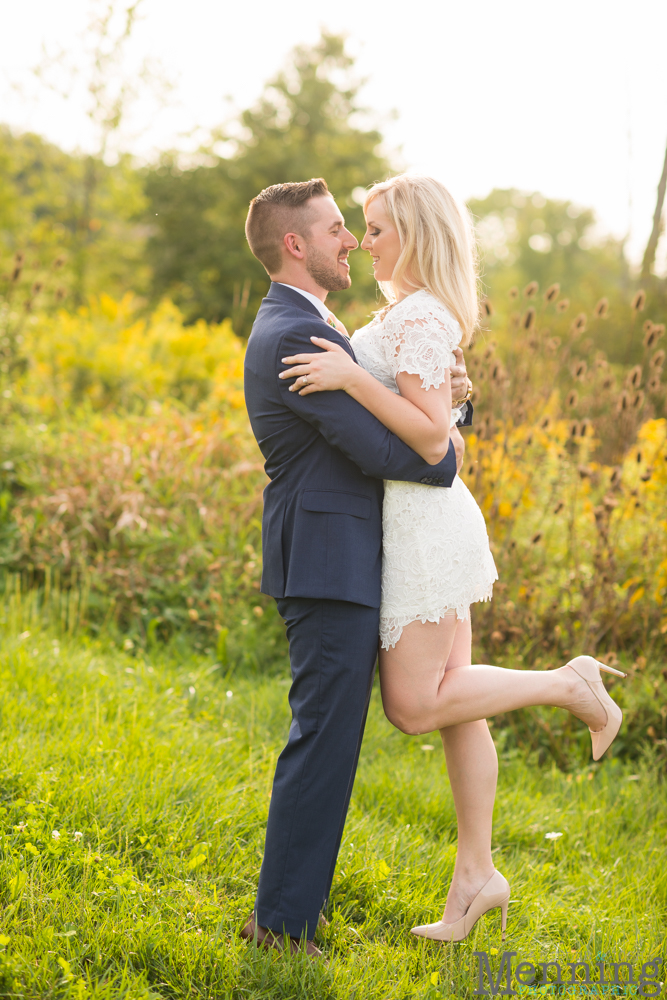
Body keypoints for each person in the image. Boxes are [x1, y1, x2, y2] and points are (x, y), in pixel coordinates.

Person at [278, 173, 626, 944]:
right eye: (360, 228)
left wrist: (345, 378)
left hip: (422, 526)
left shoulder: (425, 315)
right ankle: (476, 876)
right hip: (418, 518)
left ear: (416, 234)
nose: (363, 242)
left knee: (414, 705)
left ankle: (569, 685)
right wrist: (410, 387)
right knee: (456, 702)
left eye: (375, 228)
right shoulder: (410, 313)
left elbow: (432, 440)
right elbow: (439, 409)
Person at [241, 178, 473, 957]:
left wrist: (443, 407)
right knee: (324, 742)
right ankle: (281, 928)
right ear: (295, 244)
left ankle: (286, 914)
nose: (351, 241)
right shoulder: (293, 336)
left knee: (329, 738)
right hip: (328, 559)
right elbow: (388, 451)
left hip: (332, 555)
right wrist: (450, 450)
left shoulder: (312, 324)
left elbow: (403, 413)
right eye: (337, 229)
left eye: (357, 227)